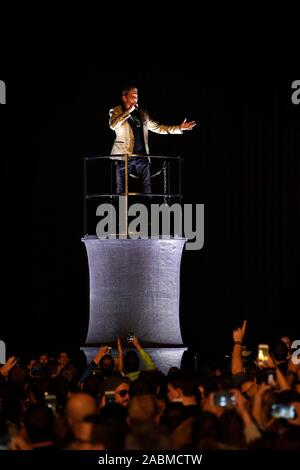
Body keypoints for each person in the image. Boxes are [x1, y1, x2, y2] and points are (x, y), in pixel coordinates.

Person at [109, 85, 196, 194]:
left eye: (136, 96)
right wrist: (128, 112)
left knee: (147, 187)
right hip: (124, 155)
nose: (135, 99)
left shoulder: (142, 113)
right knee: (121, 188)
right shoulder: (116, 110)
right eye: (132, 96)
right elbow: (113, 125)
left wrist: (179, 127)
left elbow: (159, 128)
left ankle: (147, 208)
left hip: (142, 156)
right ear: (124, 98)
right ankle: (120, 210)